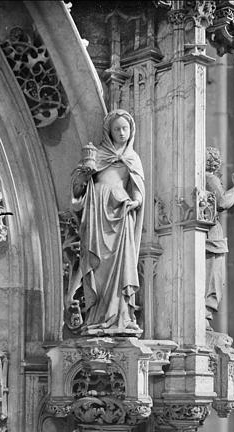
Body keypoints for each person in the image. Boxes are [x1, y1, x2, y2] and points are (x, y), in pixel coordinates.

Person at [71, 110, 145, 335]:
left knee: (121, 267)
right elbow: (77, 190)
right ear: (109, 131)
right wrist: (84, 175)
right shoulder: (99, 154)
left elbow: (138, 187)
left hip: (121, 212)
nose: (122, 133)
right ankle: (96, 316)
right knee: (98, 267)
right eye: (117, 129)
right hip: (96, 213)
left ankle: (121, 316)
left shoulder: (133, 158)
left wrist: (136, 201)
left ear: (131, 131)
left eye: (125, 128)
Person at [205, 146, 234, 330]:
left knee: (214, 276)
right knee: (213, 277)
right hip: (212, 234)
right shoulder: (209, 178)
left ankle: (205, 315)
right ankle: (205, 315)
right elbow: (223, 202)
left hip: (212, 234)